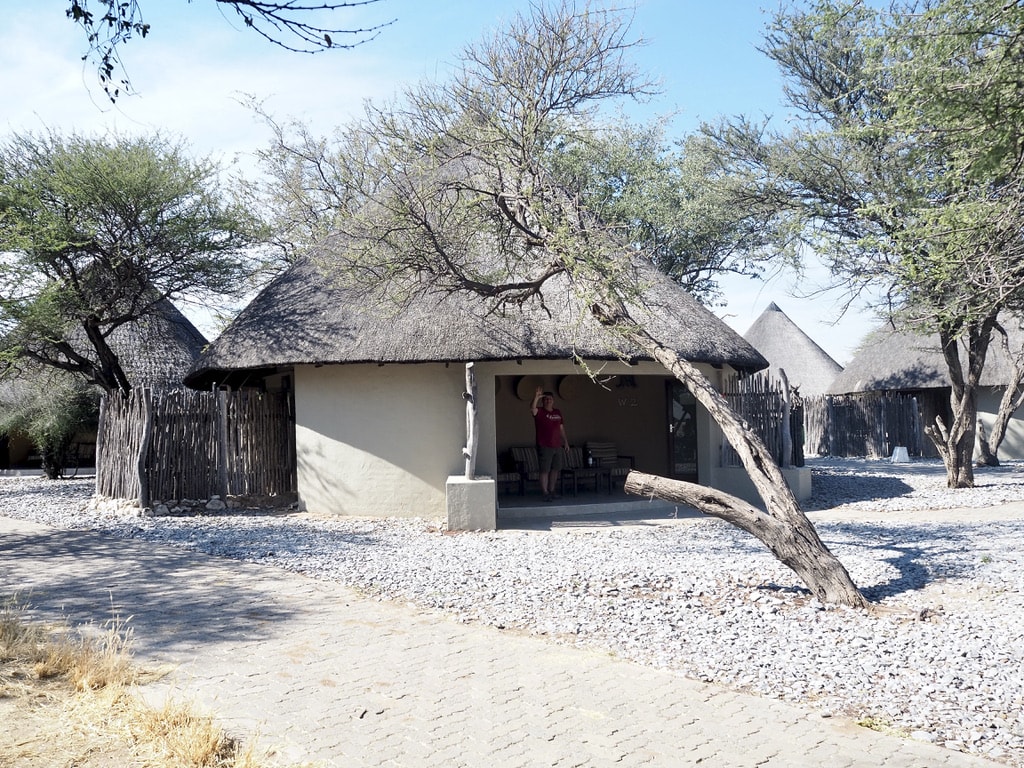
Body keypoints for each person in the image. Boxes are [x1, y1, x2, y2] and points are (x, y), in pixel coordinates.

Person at [530, 386, 569, 501]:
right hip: (545, 445)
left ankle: (552, 491)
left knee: (555, 469)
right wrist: (536, 397)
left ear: (553, 400)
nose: (548, 401)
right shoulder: (540, 412)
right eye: (546, 399)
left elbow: (561, 428)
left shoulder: (558, 412)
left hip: (557, 445)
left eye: (550, 399)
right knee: (545, 470)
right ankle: (545, 492)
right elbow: (533, 409)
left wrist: (566, 442)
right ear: (543, 401)